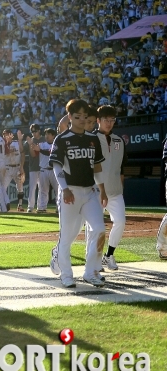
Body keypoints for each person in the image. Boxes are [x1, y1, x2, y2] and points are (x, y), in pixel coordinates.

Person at [48, 99, 107, 288]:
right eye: (77, 116)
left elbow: (97, 167)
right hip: (70, 192)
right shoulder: (62, 139)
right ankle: (66, 274)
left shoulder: (93, 139)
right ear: (70, 117)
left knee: (99, 229)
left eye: (85, 116)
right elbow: (57, 166)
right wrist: (64, 188)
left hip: (89, 192)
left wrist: (102, 190)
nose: (82, 119)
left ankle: (91, 272)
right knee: (67, 236)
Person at [95, 105, 127, 271]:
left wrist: (121, 187)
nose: (109, 123)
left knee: (120, 222)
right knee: (95, 229)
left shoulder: (119, 141)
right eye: (106, 119)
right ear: (98, 120)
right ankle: (95, 260)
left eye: (112, 119)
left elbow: (122, 167)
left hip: (115, 191)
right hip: (95, 191)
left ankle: (109, 255)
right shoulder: (91, 139)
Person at [2, 129, 26, 212]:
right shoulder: (3, 144)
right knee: (3, 187)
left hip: (17, 167)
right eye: (4, 135)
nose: (6, 136)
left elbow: (22, 153)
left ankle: (20, 205)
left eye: (8, 134)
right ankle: (5, 203)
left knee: (20, 187)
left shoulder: (17, 142)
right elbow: (5, 153)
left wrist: (22, 166)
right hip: (7, 168)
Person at [36, 128, 58, 213]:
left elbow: (50, 152)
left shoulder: (56, 145)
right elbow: (33, 153)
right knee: (43, 190)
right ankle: (41, 207)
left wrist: (40, 150)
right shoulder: (41, 144)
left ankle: (59, 208)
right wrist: (32, 145)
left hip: (54, 169)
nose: (47, 136)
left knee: (58, 190)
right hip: (43, 170)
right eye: (45, 134)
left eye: (49, 134)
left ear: (53, 136)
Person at [24, 124, 43, 213]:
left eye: (35, 131)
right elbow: (25, 151)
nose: (34, 133)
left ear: (39, 130)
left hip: (43, 167)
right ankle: (30, 206)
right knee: (32, 188)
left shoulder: (44, 139)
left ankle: (40, 206)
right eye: (32, 132)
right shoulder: (30, 141)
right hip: (33, 167)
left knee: (42, 188)